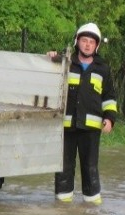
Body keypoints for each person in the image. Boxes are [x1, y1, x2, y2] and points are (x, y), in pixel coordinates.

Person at [47, 22, 118, 204]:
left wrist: (109, 119)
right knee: (64, 167)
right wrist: (51, 58)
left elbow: (109, 97)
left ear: (97, 46)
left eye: (91, 42)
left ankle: (92, 208)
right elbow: (49, 77)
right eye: (84, 41)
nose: (87, 45)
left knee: (90, 167)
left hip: (90, 129)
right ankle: (62, 205)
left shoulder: (103, 69)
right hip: (67, 127)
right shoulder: (65, 63)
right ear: (77, 42)